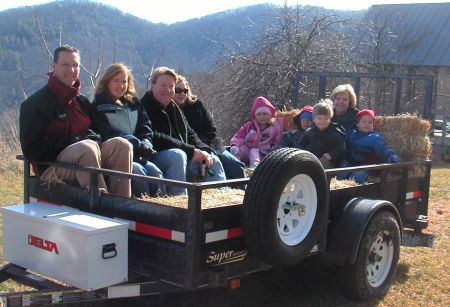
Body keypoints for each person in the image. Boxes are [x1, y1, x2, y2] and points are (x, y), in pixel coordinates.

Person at [19, 45, 132, 197]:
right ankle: (101, 205)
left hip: (88, 159)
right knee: (86, 147)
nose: (71, 70)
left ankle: (122, 203)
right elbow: (32, 150)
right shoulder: (36, 104)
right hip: (52, 168)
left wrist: (93, 138)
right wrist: (75, 140)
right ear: (54, 67)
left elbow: (97, 133)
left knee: (121, 145)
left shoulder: (82, 101)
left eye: (75, 65)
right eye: (65, 65)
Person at [92, 63, 181, 197]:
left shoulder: (134, 103)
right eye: (116, 81)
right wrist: (137, 144)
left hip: (140, 154)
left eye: (124, 81)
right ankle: (141, 209)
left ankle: (163, 208)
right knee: (138, 172)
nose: (121, 85)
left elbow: (145, 127)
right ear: (107, 82)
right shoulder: (98, 105)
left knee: (155, 173)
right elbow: (107, 132)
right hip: (118, 157)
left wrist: (146, 143)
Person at [141, 66, 226, 186]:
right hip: (154, 155)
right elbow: (156, 137)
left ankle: (220, 201)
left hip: (181, 152)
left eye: (171, 86)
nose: (168, 89)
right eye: (163, 85)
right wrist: (191, 151)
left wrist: (204, 151)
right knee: (177, 155)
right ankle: (179, 200)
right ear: (152, 86)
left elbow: (190, 133)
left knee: (213, 159)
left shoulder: (174, 109)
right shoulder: (144, 107)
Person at [173, 75, 245, 180]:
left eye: (185, 90)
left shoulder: (196, 104)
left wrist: (203, 145)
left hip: (211, 144)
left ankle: (246, 192)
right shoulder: (171, 111)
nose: (182, 93)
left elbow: (212, 129)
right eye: (178, 90)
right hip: (191, 151)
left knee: (234, 164)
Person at [337, 109, 399, 184]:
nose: (367, 124)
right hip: (351, 163)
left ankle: (350, 192)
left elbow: (384, 149)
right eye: (364, 121)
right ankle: (337, 189)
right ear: (357, 124)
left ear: (373, 125)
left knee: (356, 177)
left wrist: (392, 157)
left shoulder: (374, 138)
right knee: (341, 171)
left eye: (370, 122)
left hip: (366, 167)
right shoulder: (351, 134)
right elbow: (343, 145)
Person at [230, 96, 283, 168]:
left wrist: (275, 150)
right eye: (259, 114)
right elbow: (239, 136)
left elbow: (277, 141)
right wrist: (235, 145)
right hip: (248, 150)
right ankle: (236, 166)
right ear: (255, 116)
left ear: (270, 115)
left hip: (264, 153)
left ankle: (254, 169)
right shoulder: (249, 126)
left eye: (265, 114)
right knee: (239, 149)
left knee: (254, 151)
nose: (262, 117)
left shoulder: (273, 128)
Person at [299, 100, 346, 169]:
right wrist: (305, 153)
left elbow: (340, 148)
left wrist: (331, 155)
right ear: (314, 119)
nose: (322, 121)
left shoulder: (335, 133)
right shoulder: (309, 132)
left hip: (329, 161)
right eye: (319, 118)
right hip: (311, 158)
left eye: (325, 118)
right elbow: (302, 144)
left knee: (321, 164)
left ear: (330, 119)